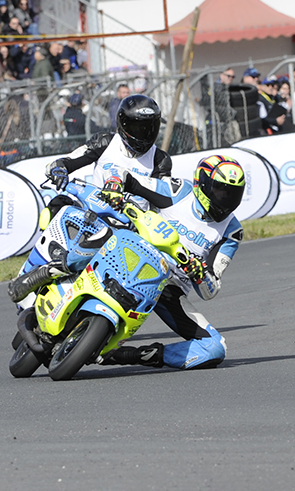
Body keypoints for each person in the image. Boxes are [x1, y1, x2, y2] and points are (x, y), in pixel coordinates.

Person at [7, 94, 172, 305]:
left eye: (149, 128)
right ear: (122, 124)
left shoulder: (160, 160)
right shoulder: (105, 142)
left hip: (128, 228)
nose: (144, 134)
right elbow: (70, 159)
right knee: (57, 206)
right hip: (92, 213)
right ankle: (34, 266)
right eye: (138, 127)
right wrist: (59, 169)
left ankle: (49, 273)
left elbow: (162, 199)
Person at [101, 155, 246, 369]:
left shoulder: (232, 231)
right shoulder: (178, 191)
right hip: (133, 256)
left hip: (168, 288)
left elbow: (210, 290)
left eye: (232, 194)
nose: (226, 200)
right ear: (202, 185)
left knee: (215, 347)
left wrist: (199, 273)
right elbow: (121, 173)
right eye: (220, 191)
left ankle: (133, 355)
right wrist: (114, 183)